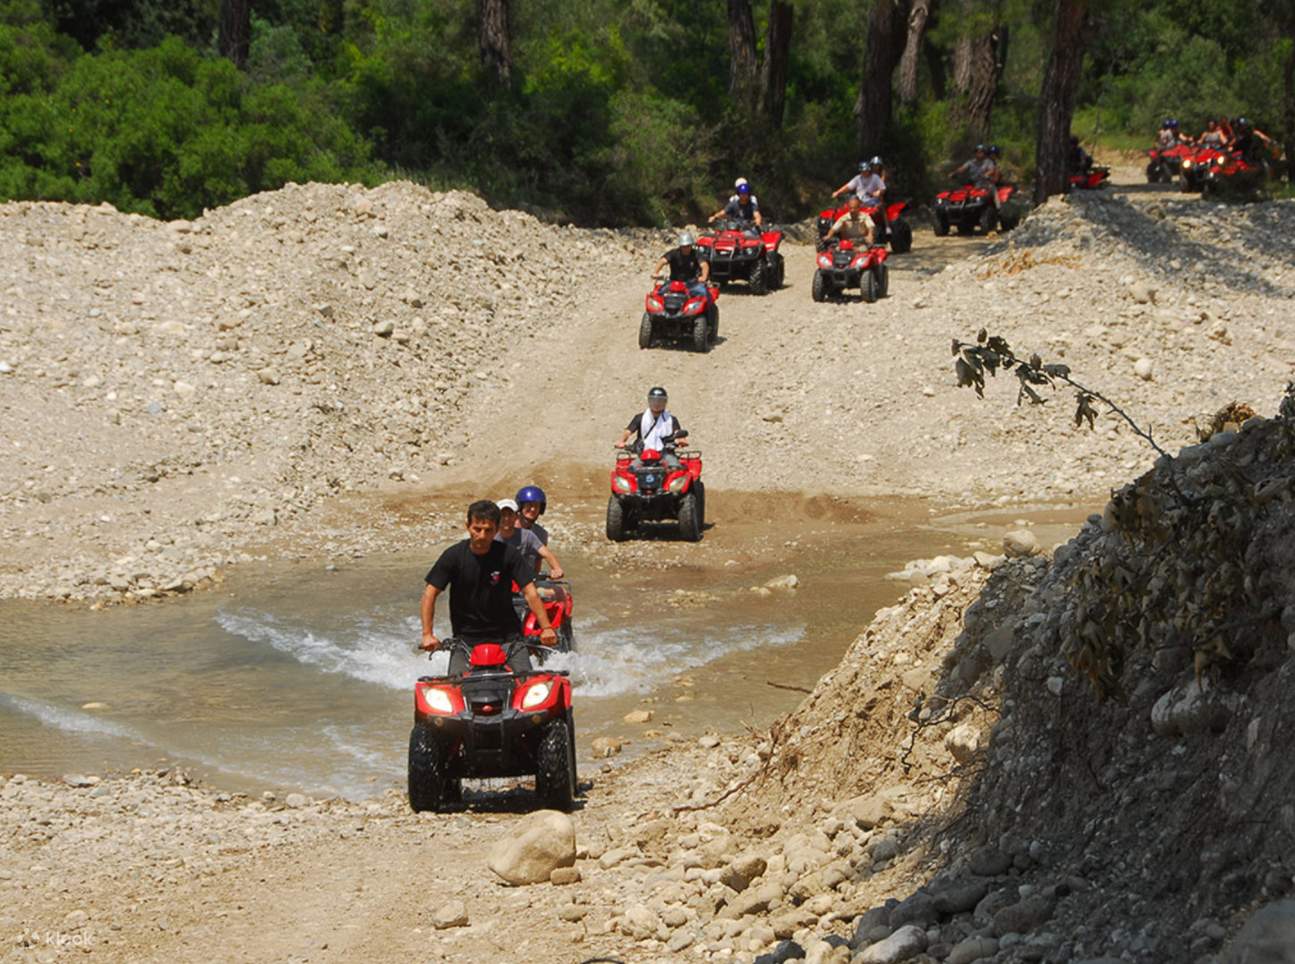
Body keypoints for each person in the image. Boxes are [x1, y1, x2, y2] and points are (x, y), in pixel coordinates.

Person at [420, 500, 557, 673]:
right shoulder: (453, 556)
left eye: (488, 530)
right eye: (477, 529)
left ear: (497, 529)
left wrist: (546, 628)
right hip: (465, 640)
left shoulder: (509, 555)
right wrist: (427, 634)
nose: (482, 536)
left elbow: (530, 593)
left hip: (508, 637)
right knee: (454, 687)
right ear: (467, 526)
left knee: (528, 682)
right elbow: (430, 594)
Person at [615, 386, 688, 469]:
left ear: (665, 402)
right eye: (654, 401)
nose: (656, 404)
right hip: (645, 454)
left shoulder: (671, 419)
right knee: (631, 470)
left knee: (676, 469)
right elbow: (628, 431)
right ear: (649, 401)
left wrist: (681, 441)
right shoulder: (640, 418)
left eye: (660, 401)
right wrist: (622, 441)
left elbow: (678, 433)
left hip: (665, 453)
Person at [496, 498, 563, 578]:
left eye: (510, 514)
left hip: (523, 582)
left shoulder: (527, 535)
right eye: (503, 515)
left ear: (516, 516)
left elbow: (546, 554)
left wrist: (557, 568)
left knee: (562, 590)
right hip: (498, 581)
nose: (506, 518)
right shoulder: (490, 536)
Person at [652, 231, 711, 305]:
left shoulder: (696, 254)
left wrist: (704, 277)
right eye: (684, 246)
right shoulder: (674, 253)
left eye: (688, 246)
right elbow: (662, 261)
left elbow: (704, 265)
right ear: (680, 246)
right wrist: (655, 272)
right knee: (657, 294)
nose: (686, 248)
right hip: (673, 283)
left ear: (691, 245)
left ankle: (710, 315)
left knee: (705, 294)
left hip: (692, 284)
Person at [952, 144, 1002, 212]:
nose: (979, 154)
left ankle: (998, 207)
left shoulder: (988, 162)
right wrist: (955, 173)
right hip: (973, 184)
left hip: (985, 183)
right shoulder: (971, 162)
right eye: (977, 152)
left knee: (993, 189)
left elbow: (992, 170)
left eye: (981, 152)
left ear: (984, 153)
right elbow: (962, 168)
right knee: (960, 192)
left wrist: (986, 174)